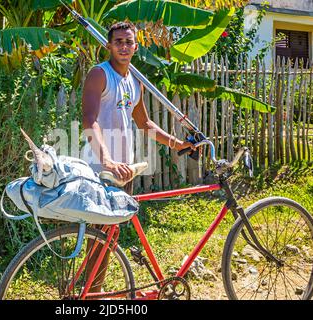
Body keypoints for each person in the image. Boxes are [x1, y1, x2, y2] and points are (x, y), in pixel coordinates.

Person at [81, 21, 195, 292]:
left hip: (125, 169)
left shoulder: (135, 81)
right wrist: (107, 160)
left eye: (128, 41)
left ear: (136, 46)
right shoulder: (100, 74)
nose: (123, 46)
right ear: (108, 45)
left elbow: (144, 124)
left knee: (109, 237)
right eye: (118, 41)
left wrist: (176, 143)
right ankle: (90, 295)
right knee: (97, 237)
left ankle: (93, 292)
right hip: (101, 167)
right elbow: (89, 120)